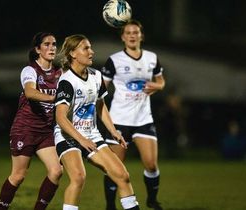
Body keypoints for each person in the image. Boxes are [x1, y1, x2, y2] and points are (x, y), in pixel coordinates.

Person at [54, 34, 140, 210]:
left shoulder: (96, 76)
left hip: (92, 135)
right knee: (78, 177)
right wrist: (81, 139)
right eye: (85, 48)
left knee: (122, 176)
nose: (91, 52)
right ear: (72, 53)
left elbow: (101, 106)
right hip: (68, 136)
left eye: (90, 47)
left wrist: (114, 131)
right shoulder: (66, 81)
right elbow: (60, 118)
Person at [100, 19, 166, 210]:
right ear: (122, 37)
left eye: (135, 32)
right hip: (119, 120)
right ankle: (110, 205)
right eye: (128, 33)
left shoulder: (152, 58)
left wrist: (157, 86)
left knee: (152, 165)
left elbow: (161, 81)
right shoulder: (114, 60)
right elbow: (101, 89)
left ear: (141, 36)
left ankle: (152, 200)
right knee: (114, 167)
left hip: (143, 119)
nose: (132, 36)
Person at [0, 32, 63, 210]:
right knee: (18, 176)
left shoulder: (59, 73)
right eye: (47, 44)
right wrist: (55, 98)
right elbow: (30, 93)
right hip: (25, 128)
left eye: (54, 44)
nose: (51, 48)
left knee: (56, 171)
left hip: (46, 131)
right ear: (37, 49)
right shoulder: (30, 70)